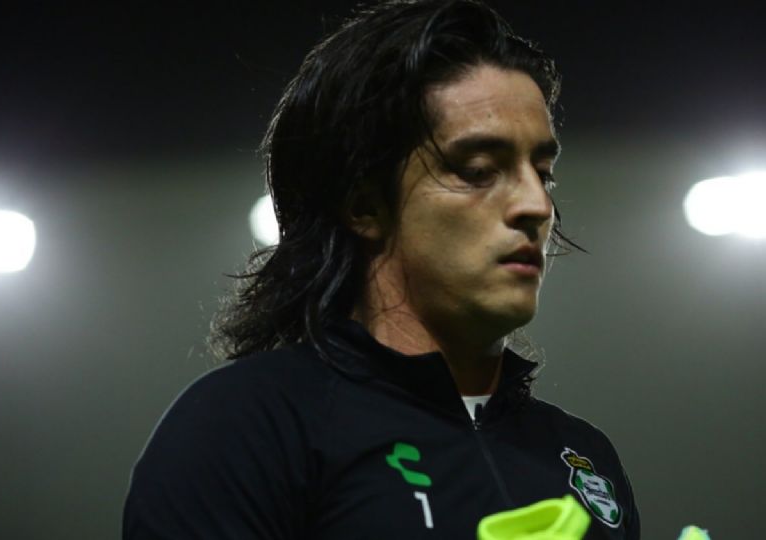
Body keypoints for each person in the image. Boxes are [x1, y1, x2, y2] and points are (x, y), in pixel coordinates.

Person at [122, 1, 639, 538]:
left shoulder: (584, 457)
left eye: (544, 173)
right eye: (478, 170)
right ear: (364, 204)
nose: (536, 205)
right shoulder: (245, 426)